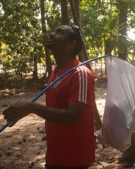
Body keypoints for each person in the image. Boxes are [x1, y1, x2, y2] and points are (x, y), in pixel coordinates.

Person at [2, 25, 96, 169]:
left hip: (74, 158)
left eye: (59, 32)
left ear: (71, 43)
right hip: (55, 154)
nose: (52, 34)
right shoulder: (56, 72)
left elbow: (72, 117)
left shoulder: (80, 73)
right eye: (54, 31)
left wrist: (32, 107)